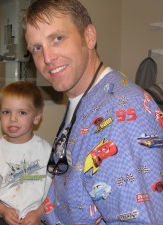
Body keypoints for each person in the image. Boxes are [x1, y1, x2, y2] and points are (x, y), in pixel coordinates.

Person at [22, 0, 163, 224]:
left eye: (57, 38)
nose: (47, 58)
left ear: (89, 36)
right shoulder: (83, 98)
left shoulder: (120, 114)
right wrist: (42, 212)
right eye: (37, 48)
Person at [0, 80, 52, 225]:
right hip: (4, 218)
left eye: (22, 112)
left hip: (38, 218)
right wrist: (2, 210)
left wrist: (39, 213)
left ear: (36, 117)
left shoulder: (46, 150)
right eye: (6, 112)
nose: (12, 119)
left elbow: (56, 188)